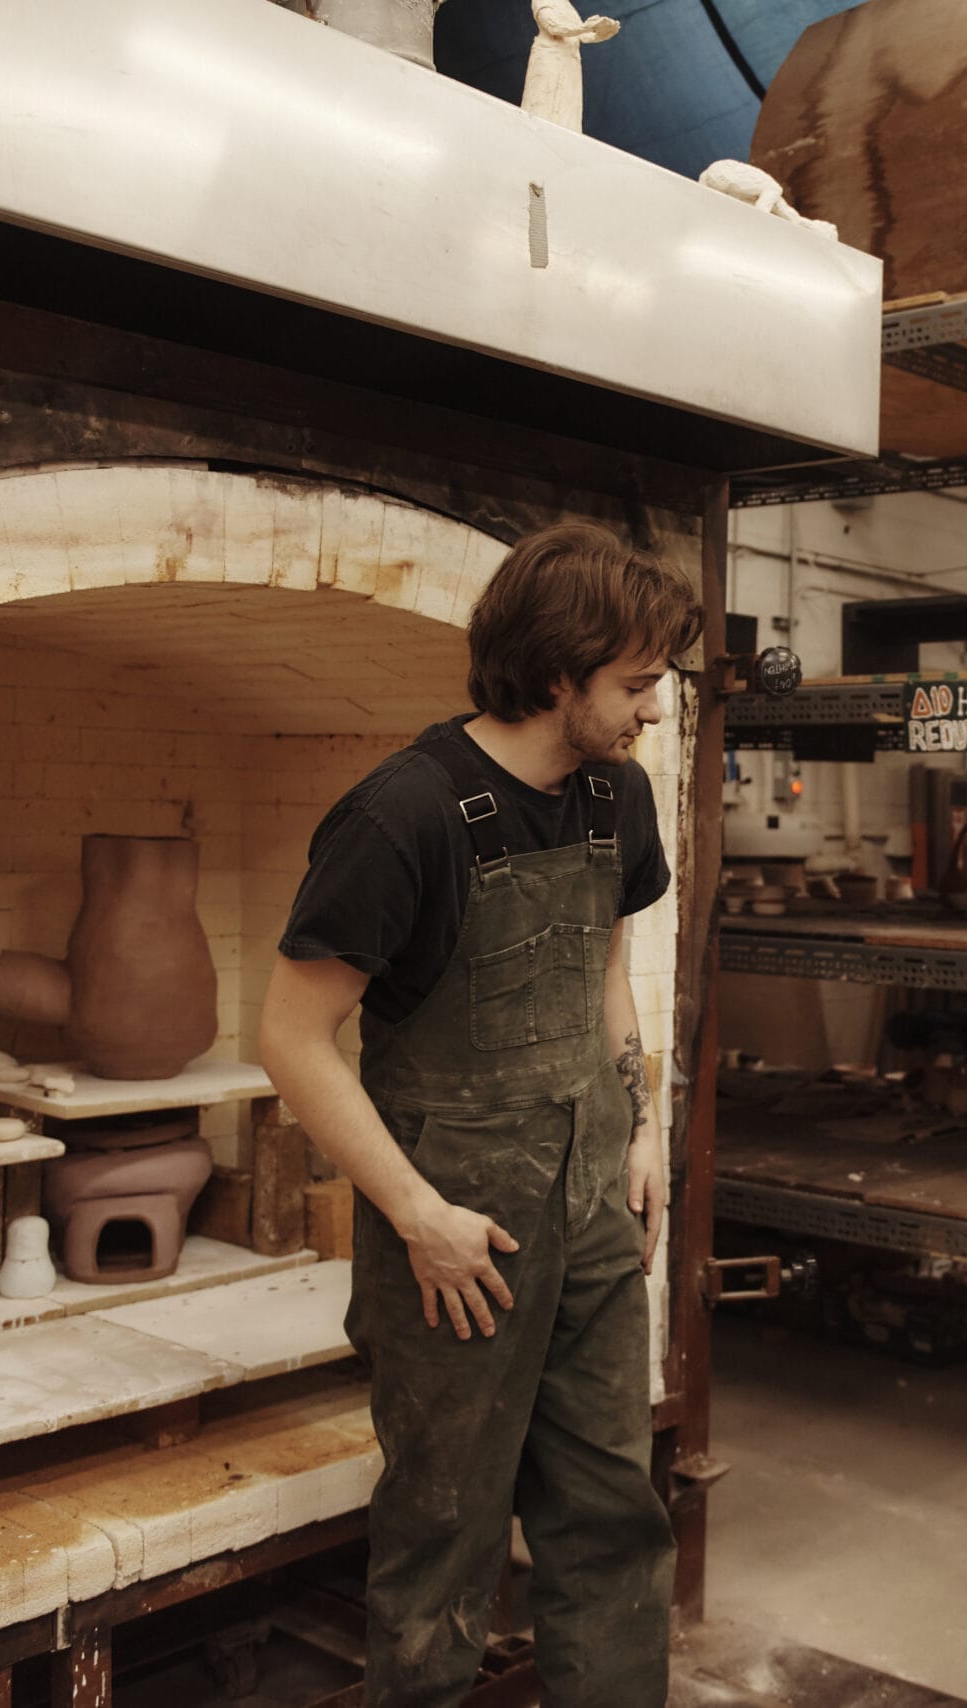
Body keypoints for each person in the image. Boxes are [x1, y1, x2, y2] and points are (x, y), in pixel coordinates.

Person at [258, 523, 699, 1708]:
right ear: (558, 674)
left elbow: (603, 968)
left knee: (613, 1514)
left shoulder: (621, 796)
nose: (653, 710)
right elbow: (290, 1041)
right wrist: (416, 1216)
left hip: (596, 1209)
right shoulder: (401, 815)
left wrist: (641, 1126)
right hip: (458, 1239)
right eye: (637, 684)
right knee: (443, 1532)